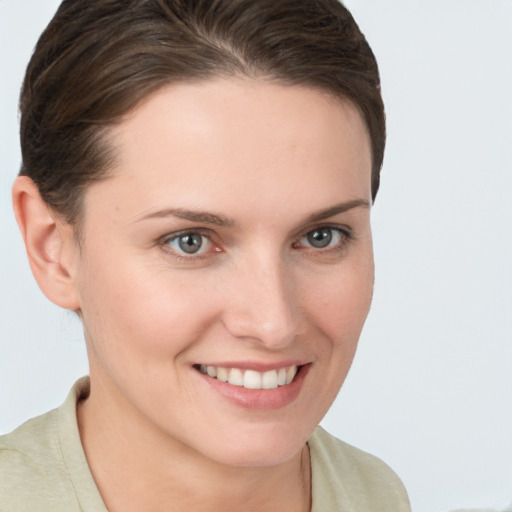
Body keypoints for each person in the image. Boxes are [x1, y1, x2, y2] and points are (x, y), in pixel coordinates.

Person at [0, 0, 411, 510]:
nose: (273, 323)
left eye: (322, 236)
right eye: (189, 241)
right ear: (51, 247)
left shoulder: (378, 496)